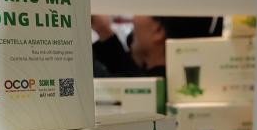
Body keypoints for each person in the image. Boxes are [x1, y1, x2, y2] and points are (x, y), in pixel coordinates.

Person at [92, 15, 222, 77]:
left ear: (158, 30)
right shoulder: (177, 82)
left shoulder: (149, 90)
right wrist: (103, 30)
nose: (133, 18)